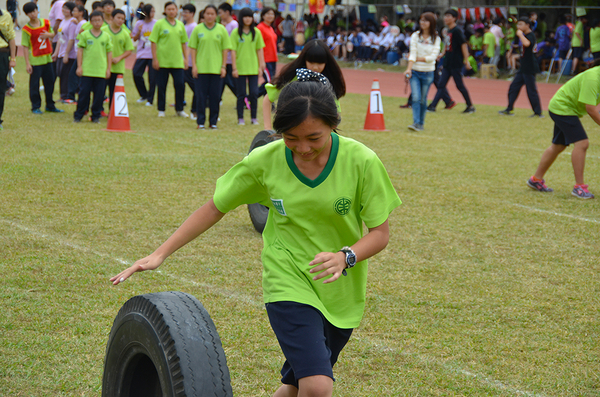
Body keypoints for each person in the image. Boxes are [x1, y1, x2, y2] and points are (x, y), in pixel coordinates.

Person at [110, 77, 402, 397]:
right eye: (291, 138)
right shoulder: (266, 160)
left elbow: (380, 234)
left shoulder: (362, 162)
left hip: (339, 289)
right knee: (317, 386)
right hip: (287, 277)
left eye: (313, 138)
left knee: (294, 386)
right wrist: (161, 253)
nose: (303, 148)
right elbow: (215, 207)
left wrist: (345, 256)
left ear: (334, 124)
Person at [527, 60, 600, 199]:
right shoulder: (593, 78)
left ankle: (535, 179)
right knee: (582, 143)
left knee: (558, 146)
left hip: (565, 108)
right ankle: (579, 187)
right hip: (562, 108)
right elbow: (590, 109)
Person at [262, 39, 346, 130]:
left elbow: (335, 114)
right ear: (304, 60)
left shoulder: (327, 82)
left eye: (320, 63)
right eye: (311, 62)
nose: (315, 67)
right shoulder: (294, 77)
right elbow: (267, 100)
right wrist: (267, 129)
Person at [189, 5, 231, 129]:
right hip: (201, 69)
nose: (210, 16)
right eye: (207, 13)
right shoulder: (197, 29)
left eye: (212, 14)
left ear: (216, 15)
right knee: (200, 96)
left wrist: (223, 66)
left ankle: (213, 122)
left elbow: (225, 49)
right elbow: (193, 48)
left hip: (217, 69)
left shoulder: (221, 29)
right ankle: (200, 122)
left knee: (215, 97)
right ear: (204, 15)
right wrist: (194, 66)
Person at [428, 9, 474, 114]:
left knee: (459, 85)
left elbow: (463, 45)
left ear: (454, 18)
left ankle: (470, 105)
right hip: (447, 62)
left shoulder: (457, 31)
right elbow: (447, 44)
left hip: (455, 63)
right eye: (445, 16)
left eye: (449, 16)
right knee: (441, 84)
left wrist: (466, 61)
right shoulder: (448, 31)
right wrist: (442, 54)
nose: (446, 18)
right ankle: (432, 106)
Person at [22, 2, 64, 115]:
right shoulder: (26, 29)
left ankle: (50, 105)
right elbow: (25, 47)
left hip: (47, 59)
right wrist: (27, 63)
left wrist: (48, 36)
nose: (32, 14)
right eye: (29, 13)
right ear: (26, 14)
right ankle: (35, 106)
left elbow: (53, 34)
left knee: (50, 82)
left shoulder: (45, 22)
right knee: (34, 84)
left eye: (34, 11)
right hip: (35, 60)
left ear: (38, 10)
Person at [149, 1, 188, 118]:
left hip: (177, 62)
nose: (171, 11)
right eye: (169, 9)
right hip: (163, 61)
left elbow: (183, 43)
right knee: (161, 86)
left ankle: (179, 109)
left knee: (180, 85)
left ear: (177, 11)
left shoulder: (180, 25)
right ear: (165, 11)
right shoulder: (159, 24)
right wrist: (155, 59)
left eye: (173, 9)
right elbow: (153, 41)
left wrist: (186, 59)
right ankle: (161, 109)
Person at [73, 10, 112, 123]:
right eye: (94, 21)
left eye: (99, 20)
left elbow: (109, 52)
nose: (97, 23)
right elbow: (80, 51)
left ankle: (95, 116)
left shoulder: (106, 36)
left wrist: (108, 69)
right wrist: (79, 66)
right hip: (87, 70)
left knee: (99, 95)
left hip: (100, 70)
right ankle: (78, 115)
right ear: (90, 22)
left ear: (103, 21)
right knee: (83, 94)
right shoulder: (85, 35)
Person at [498, 17, 542, 118]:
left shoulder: (530, 35)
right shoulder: (524, 35)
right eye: (518, 24)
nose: (519, 26)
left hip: (530, 67)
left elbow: (527, 44)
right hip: (523, 67)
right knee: (513, 87)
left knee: (531, 90)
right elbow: (517, 45)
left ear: (527, 25)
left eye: (521, 24)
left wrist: (520, 35)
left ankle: (537, 112)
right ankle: (509, 108)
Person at [404, 12, 440, 132]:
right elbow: (412, 52)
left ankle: (421, 123)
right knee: (415, 97)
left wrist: (416, 59)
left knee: (423, 99)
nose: (422, 23)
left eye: (426, 21)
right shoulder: (415, 36)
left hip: (428, 72)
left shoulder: (436, 39)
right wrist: (409, 68)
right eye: (421, 20)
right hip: (415, 71)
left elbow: (432, 57)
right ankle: (415, 123)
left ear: (431, 23)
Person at [231, 7, 265, 126]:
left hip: (253, 68)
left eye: (250, 16)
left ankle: (253, 117)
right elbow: (233, 51)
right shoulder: (236, 33)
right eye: (245, 16)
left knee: (254, 93)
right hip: (240, 68)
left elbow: (259, 50)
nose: (247, 19)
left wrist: (261, 65)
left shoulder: (256, 32)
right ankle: (240, 118)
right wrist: (234, 68)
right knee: (240, 94)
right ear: (241, 18)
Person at [102, 8, 133, 110]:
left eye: (123, 19)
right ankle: (98, 111)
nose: (120, 20)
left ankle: (112, 112)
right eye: (118, 18)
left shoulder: (125, 33)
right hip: (103, 67)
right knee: (100, 90)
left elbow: (129, 50)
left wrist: (119, 58)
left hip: (118, 68)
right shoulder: (103, 31)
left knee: (114, 92)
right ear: (112, 18)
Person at [131, 2, 155, 106]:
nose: (153, 13)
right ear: (145, 13)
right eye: (151, 11)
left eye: (154, 11)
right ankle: (144, 94)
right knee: (136, 73)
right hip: (142, 53)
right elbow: (134, 39)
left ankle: (150, 99)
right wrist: (138, 32)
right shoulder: (139, 23)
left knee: (152, 78)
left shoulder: (156, 23)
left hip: (153, 54)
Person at [52, 1, 76, 102]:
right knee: (60, 73)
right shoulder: (62, 21)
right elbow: (59, 38)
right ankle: (63, 95)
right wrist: (56, 53)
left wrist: (66, 53)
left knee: (66, 75)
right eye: (63, 8)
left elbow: (71, 39)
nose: (64, 10)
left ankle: (67, 96)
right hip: (61, 52)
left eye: (67, 8)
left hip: (70, 54)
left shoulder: (72, 22)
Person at [65, 4, 86, 103]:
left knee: (74, 75)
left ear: (81, 13)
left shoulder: (83, 24)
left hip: (81, 53)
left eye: (75, 11)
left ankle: (71, 96)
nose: (73, 13)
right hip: (78, 53)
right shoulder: (79, 23)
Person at [0, 5, 16, 129]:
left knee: (1, 88)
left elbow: (11, 37)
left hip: (2, 54)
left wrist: (13, 58)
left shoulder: (6, 15)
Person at [217, 2, 237, 99]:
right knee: (222, 80)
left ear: (227, 12)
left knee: (230, 82)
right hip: (223, 58)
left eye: (221, 13)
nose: (220, 15)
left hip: (230, 59)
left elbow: (234, 43)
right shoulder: (223, 25)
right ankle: (217, 99)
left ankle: (244, 98)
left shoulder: (234, 25)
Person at [257, 7, 277, 98]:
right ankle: (250, 97)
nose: (270, 16)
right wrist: (260, 61)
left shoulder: (271, 28)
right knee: (270, 82)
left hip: (273, 58)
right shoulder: (260, 28)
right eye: (268, 14)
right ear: (263, 15)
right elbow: (257, 46)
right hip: (265, 59)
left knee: (270, 81)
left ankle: (250, 98)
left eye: (272, 14)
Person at [181, 3, 196, 119]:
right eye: (183, 12)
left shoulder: (193, 27)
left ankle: (194, 111)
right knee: (180, 86)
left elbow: (191, 47)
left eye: (187, 12)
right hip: (182, 61)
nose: (184, 14)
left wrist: (187, 60)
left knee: (197, 88)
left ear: (192, 14)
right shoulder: (183, 26)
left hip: (189, 63)